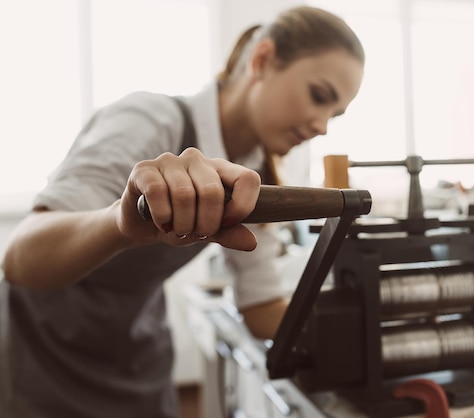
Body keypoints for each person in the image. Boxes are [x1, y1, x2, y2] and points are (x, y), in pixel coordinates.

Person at [0, 5, 365, 418]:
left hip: (137, 349)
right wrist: (121, 225)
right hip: (46, 353)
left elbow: (261, 305)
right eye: (320, 97)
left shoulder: (255, 176)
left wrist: (368, 331)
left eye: (335, 115)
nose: (322, 126)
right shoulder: (149, 121)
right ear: (262, 61)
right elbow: (20, 259)